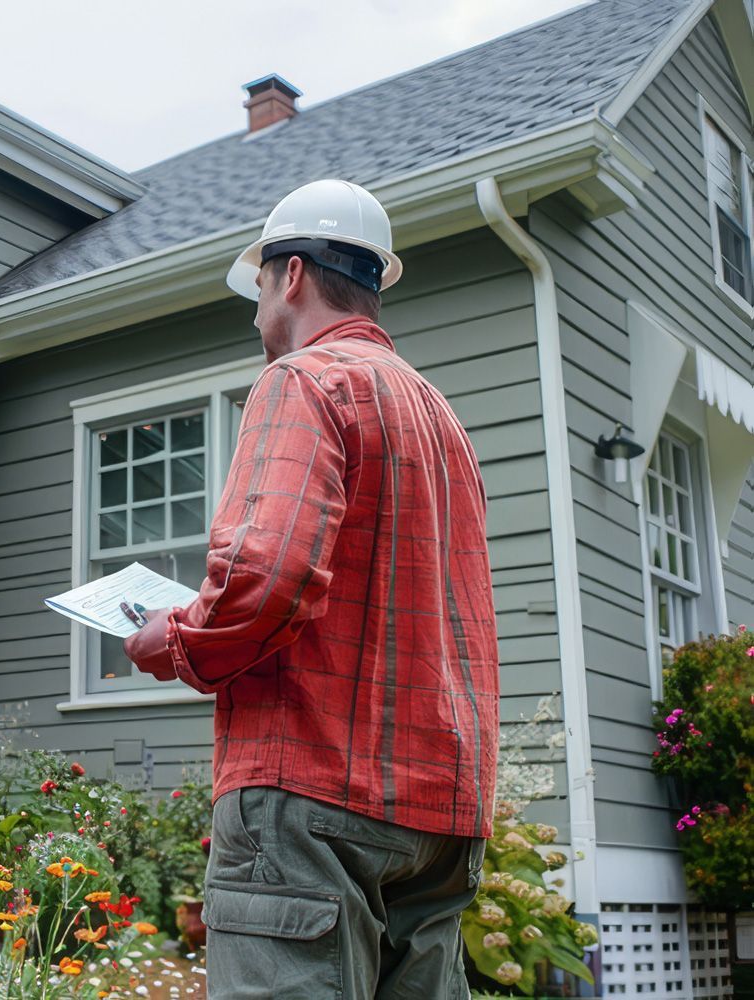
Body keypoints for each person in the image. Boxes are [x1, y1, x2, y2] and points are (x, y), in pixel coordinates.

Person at [123, 179, 500, 999]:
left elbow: (267, 576)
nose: (256, 309)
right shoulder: (442, 418)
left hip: (312, 791)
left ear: (290, 275)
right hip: (440, 809)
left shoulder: (304, 380)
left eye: (257, 285)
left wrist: (178, 639)